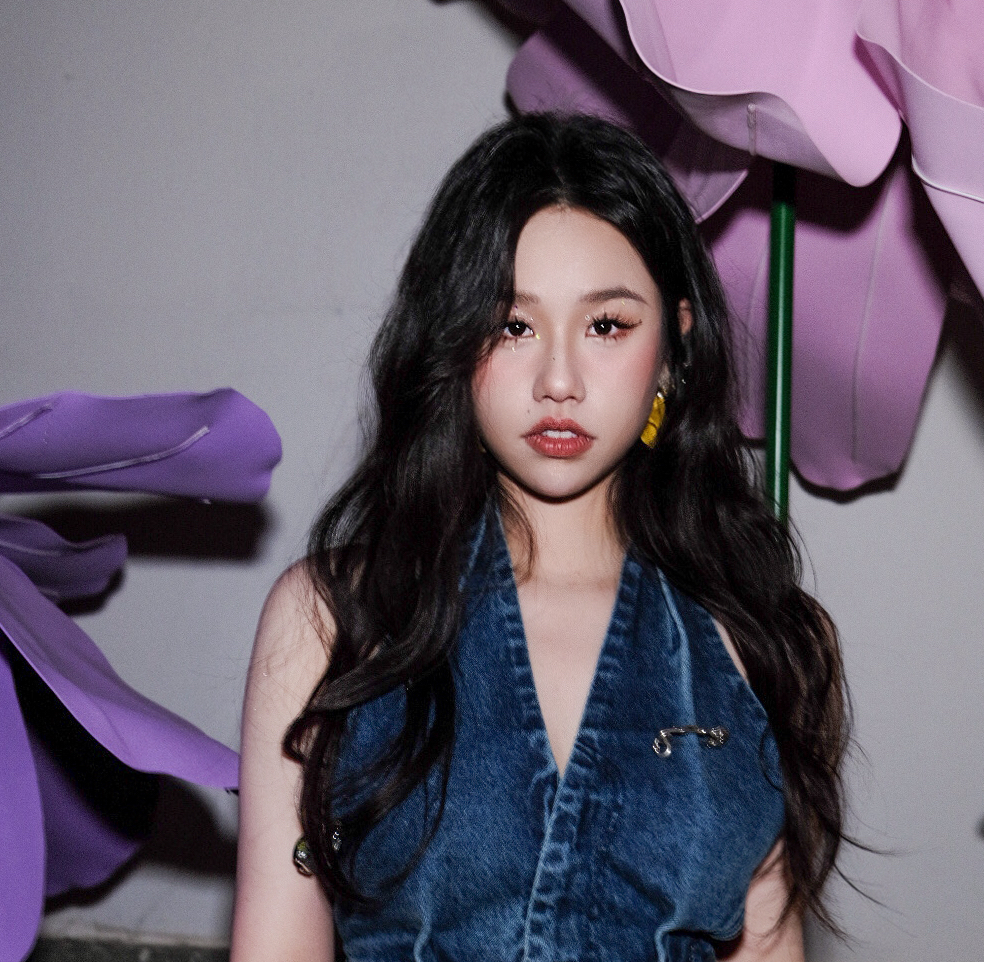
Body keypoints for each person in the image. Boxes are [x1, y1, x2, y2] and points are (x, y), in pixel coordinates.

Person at [232, 113, 848, 962]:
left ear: (674, 346)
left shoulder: (766, 638)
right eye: (513, 326)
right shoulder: (332, 618)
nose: (559, 380)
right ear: (452, 340)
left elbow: (768, 944)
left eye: (607, 326)